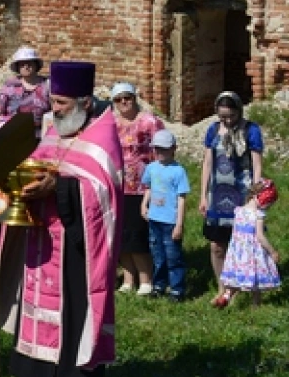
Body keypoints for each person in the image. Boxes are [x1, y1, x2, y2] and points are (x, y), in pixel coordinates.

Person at [0, 61, 122, 377]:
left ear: (85, 103)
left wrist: (57, 187)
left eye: (62, 103)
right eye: (53, 101)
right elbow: (38, 163)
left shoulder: (103, 134)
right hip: (41, 239)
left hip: (79, 249)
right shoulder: (55, 129)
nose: (54, 109)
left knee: (75, 313)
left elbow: (102, 194)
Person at [198, 91, 264, 306]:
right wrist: (203, 196)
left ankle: (241, 289)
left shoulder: (250, 130)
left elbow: (256, 164)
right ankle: (222, 287)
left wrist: (255, 195)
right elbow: (208, 163)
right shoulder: (213, 130)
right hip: (217, 195)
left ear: (239, 111)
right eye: (222, 116)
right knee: (217, 245)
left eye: (231, 116)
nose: (226, 121)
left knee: (243, 244)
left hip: (242, 195)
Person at [111, 81, 165, 296]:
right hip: (117, 184)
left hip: (143, 187)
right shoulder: (111, 123)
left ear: (135, 98)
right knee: (120, 235)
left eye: (128, 97)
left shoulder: (150, 122)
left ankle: (146, 279)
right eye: (118, 99)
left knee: (138, 234)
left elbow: (162, 153)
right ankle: (128, 277)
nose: (124, 102)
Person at [140, 129, 190, 302]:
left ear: (173, 149)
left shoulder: (178, 171)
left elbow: (181, 198)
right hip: (154, 219)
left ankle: (177, 289)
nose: (160, 153)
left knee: (173, 256)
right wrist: (144, 204)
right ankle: (159, 285)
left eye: (164, 149)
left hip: (170, 221)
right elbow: (148, 188)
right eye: (157, 149)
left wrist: (179, 224)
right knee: (157, 255)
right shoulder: (151, 168)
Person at [215, 179, 281, 308]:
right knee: (255, 280)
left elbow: (234, 233)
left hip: (238, 251)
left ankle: (227, 295)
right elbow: (260, 236)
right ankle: (256, 305)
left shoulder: (239, 211)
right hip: (252, 252)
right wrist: (272, 251)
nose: (268, 207)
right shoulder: (258, 214)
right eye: (268, 204)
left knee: (237, 279)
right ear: (261, 199)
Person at [0, 46, 51, 136]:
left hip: (40, 132)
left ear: (36, 65)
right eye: (22, 64)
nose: (26, 67)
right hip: (13, 131)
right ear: (18, 67)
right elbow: (2, 110)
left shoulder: (47, 84)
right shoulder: (10, 85)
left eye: (29, 63)